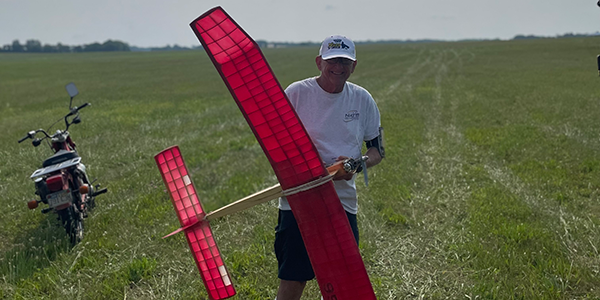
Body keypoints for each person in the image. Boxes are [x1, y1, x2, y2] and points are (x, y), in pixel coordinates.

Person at [274, 35, 384, 300]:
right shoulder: (296, 93)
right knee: (293, 278)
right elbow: (277, 144)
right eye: (332, 60)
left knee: (342, 280)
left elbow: (376, 150)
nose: (339, 67)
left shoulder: (362, 99)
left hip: (342, 203)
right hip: (298, 202)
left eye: (345, 62)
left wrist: (355, 165)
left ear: (354, 66)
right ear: (318, 62)